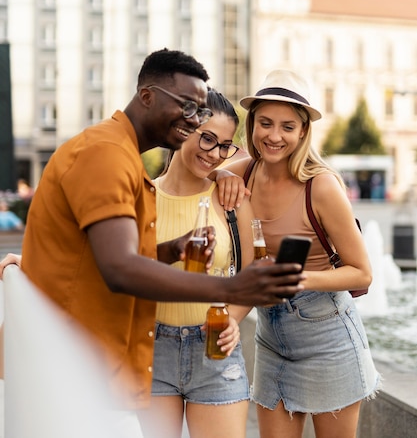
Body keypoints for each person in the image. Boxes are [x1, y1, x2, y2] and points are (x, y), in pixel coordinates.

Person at [1, 51, 305, 431]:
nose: (192, 119)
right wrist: (231, 285)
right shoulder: (108, 155)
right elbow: (119, 268)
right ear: (147, 96)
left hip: (81, 357)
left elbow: (94, 253)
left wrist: (171, 250)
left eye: (198, 111)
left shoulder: (124, 159)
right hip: (72, 356)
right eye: (188, 108)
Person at [213, 69, 380, 438]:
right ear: (252, 124)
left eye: (288, 127)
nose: (274, 136)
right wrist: (222, 176)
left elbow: (363, 272)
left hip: (328, 338)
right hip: (272, 339)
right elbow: (199, 170)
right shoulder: (245, 173)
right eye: (266, 123)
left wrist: (298, 278)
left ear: (303, 131)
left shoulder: (320, 186)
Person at [139, 89, 254, 438]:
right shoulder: (142, 195)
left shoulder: (230, 199)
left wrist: (233, 319)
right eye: (207, 138)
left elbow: (251, 274)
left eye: (224, 145)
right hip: (152, 348)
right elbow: (107, 259)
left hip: (217, 351)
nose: (214, 154)